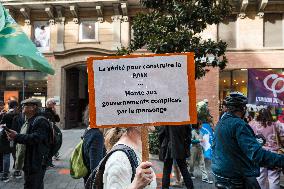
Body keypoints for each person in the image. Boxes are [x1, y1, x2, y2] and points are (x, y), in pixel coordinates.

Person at [212, 92, 284, 189]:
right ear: (242, 108)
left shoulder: (221, 123)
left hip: (220, 173)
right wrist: (280, 160)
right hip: (234, 177)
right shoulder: (239, 125)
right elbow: (256, 154)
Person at [6, 98, 50, 189]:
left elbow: (36, 138)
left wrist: (16, 136)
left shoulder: (40, 120)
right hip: (30, 160)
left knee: (33, 185)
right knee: (32, 184)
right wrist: (16, 135)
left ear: (33, 107)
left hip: (36, 161)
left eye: (25, 106)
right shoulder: (30, 120)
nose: (22, 108)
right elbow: (28, 137)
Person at [250, 108, 281, 189]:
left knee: (260, 176)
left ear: (259, 115)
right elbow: (282, 138)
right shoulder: (276, 124)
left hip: (260, 153)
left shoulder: (252, 124)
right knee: (274, 178)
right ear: (270, 115)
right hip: (274, 154)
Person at [81, 105, 105, 186]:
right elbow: (95, 168)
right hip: (94, 183)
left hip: (88, 179)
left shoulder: (89, 129)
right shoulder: (97, 135)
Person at [0, 100, 19, 182]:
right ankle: (17, 172)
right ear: (16, 106)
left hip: (6, 138)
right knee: (16, 155)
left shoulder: (6, 115)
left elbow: (2, 126)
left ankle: (5, 175)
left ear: (9, 105)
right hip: (18, 137)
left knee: (6, 156)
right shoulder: (20, 115)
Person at [43, 98, 60, 163]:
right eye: (53, 103)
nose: (54, 105)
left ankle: (52, 157)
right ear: (49, 104)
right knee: (50, 144)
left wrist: (55, 113)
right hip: (48, 131)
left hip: (52, 129)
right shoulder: (44, 111)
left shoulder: (52, 111)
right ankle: (48, 160)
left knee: (55, 142)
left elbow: (58, 120)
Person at [0, 100, 6, 177]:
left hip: (1, 135)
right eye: (0, 105)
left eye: (2, 105)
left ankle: (1, 168)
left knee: (1, 153)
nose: (2, 107)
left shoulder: (4, 113)